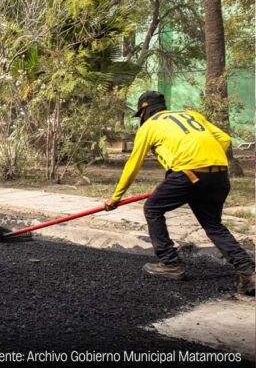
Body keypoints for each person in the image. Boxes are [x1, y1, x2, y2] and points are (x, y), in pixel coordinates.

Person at [105, 91, 255, 296]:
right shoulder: (191, 115)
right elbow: (224, 138)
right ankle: (248, 272)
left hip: (188, 175)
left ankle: (170, 263)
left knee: (153, 208)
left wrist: (116, 197)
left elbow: (133, 164)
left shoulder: (149, 126)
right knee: (213, 225)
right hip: (219, 174)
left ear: (144, 112)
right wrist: (204, 159)